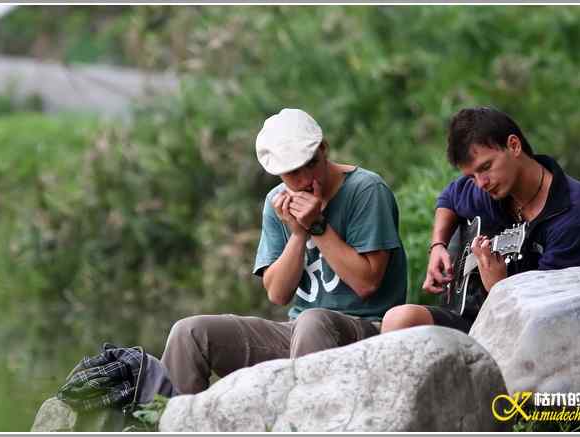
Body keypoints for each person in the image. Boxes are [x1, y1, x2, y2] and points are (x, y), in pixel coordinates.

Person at [162, 108, 407, 394]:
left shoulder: (366, 190)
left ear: (324, 149)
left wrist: (318, 227)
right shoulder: (276, 202)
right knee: (190, 333)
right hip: (297, 334)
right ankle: (168, 422)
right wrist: (299, 232)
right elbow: (278, 294)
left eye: (311, 164)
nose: (304, 179)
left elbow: (367, 283)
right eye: (292, 172)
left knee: (312, 322)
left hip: (365, 330)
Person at [381, 106, 580, 334]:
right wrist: (438, 246)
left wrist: (499, 288)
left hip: (538, 336)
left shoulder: (576, 219)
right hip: (481, 316)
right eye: (471, 176)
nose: (481, 183)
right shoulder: (493, 190)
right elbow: (450, 198)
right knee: (398, 319)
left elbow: (549, 320)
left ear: (513, 145)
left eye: (486, 167)